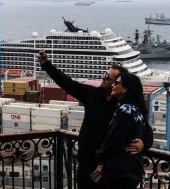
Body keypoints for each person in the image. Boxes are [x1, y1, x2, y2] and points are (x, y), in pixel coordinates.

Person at [38, 50, 153, 189]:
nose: (103, 78)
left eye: (108, 78)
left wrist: (143, 144)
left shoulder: (124, 106)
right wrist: (47, 65)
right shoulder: (91, 94)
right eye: (104, 75)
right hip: (87, 161)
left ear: (118, 83)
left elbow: (146, 129)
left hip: (108, 165)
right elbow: (67, 83)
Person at [95, 73, 147, 189]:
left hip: (120, 171)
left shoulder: (125, 110)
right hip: (132, 169)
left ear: (125, 89)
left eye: (117, 83)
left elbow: (114, 141)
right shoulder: (136, 110)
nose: (113, 85)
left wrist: (100, 157)